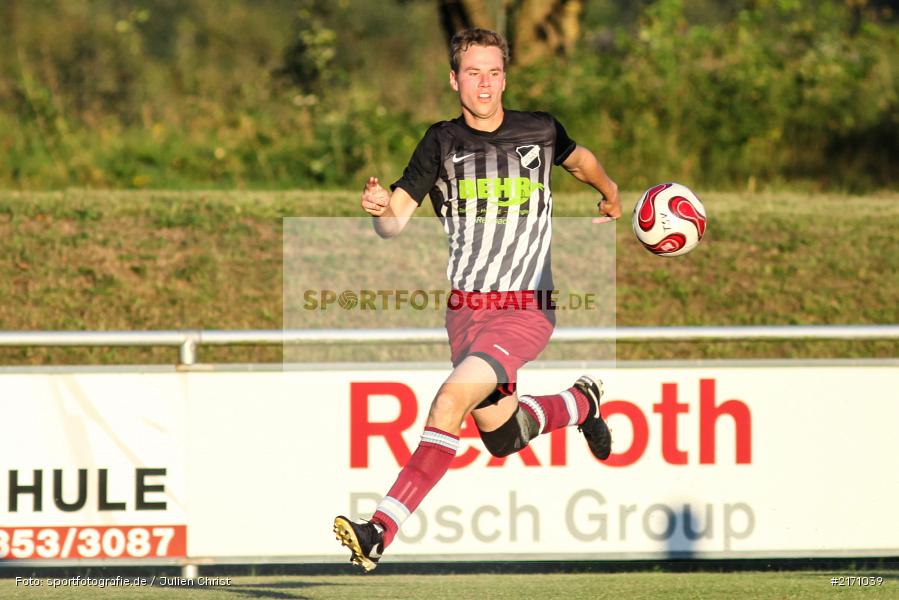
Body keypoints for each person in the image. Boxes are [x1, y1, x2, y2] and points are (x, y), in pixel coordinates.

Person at [333, 27, 621, 572]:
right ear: (453, 79)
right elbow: (396, 222)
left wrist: (608, 192)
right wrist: (378, 211)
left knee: (448, 403)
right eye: (473, 72)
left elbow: (581, 160)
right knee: (504, 435)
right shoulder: (439, 142)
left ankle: (379, 529)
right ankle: (583, 403)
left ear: (505, 77)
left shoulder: (539, 129)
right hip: (465, 313)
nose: (484, 83)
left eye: (493, 72)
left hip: (525, 307)